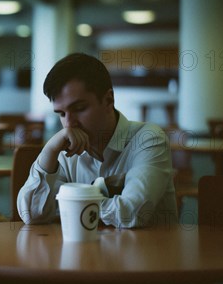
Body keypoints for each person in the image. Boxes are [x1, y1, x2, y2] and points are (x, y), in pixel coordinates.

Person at [17, 53, 177, 228]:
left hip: (148, 253)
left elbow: (131, 213)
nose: (69, 124)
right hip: (85, 254)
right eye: (61, 114)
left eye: (79, 108)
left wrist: (69, 202)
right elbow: (32, 214)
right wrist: (49, 151)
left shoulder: (148, 139)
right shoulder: (64, 151)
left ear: (108, 100)